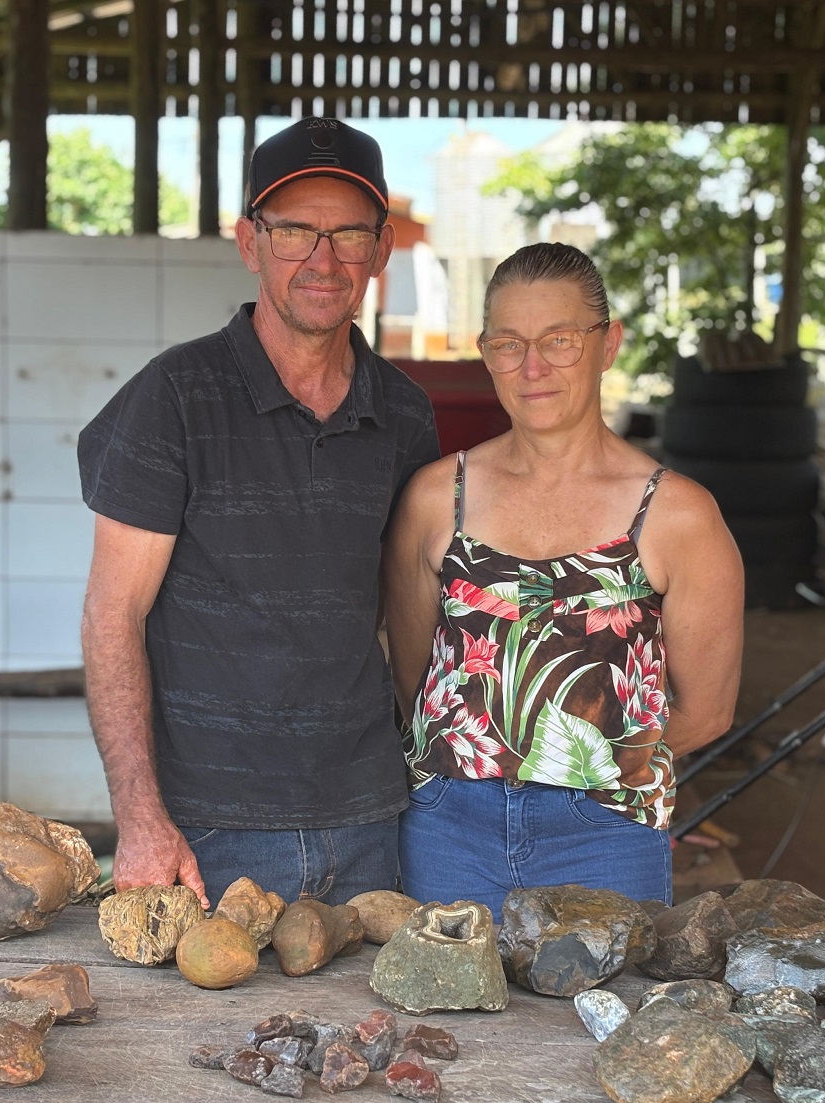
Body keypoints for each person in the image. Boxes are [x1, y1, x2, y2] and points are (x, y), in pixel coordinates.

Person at [78, 117, 440, 909]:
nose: (324, 259)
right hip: (209, 829)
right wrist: (140, 817)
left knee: (374, 1037)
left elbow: (411, 610)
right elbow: (113, 614)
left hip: (373, 820)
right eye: (294, 232)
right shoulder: (172, 398)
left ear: (381, 251)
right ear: (250, 243)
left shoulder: (406, 415)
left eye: (349, 234)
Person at [383, 242, 743, 915]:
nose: (534, 366)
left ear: (608, 345)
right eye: (509, 343)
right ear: (485, 352)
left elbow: (708, 708)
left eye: (560, 340)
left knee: (602, 1017)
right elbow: (414, 675)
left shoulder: (678, 514)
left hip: (603, 829)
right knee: (449, 1015)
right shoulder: (436, 497)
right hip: (447, 822)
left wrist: (583, 769)